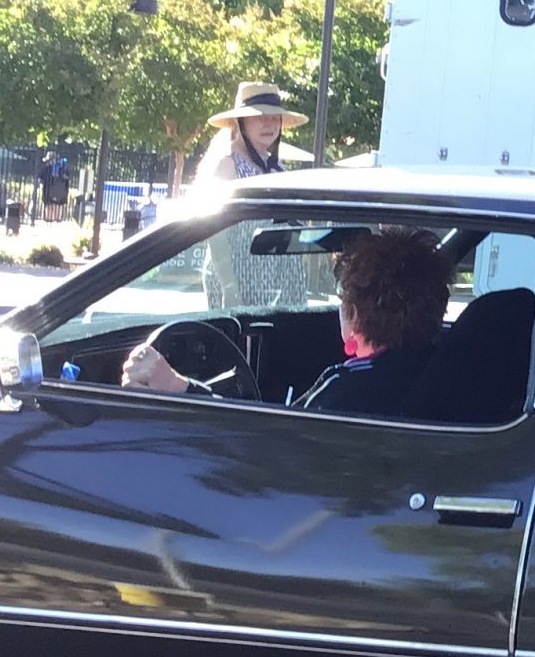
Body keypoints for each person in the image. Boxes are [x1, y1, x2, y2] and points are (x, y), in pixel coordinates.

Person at [128, 227, 447, 416]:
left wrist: (177, 387)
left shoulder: (349, 389)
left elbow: (265, 445)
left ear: (354, 312)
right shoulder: (441, 372)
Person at [195, 81, 306, 185]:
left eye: (275, 118)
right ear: (239, 121)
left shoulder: (276, 165)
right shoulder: (227, 165)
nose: (269, 125)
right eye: (260, 117)